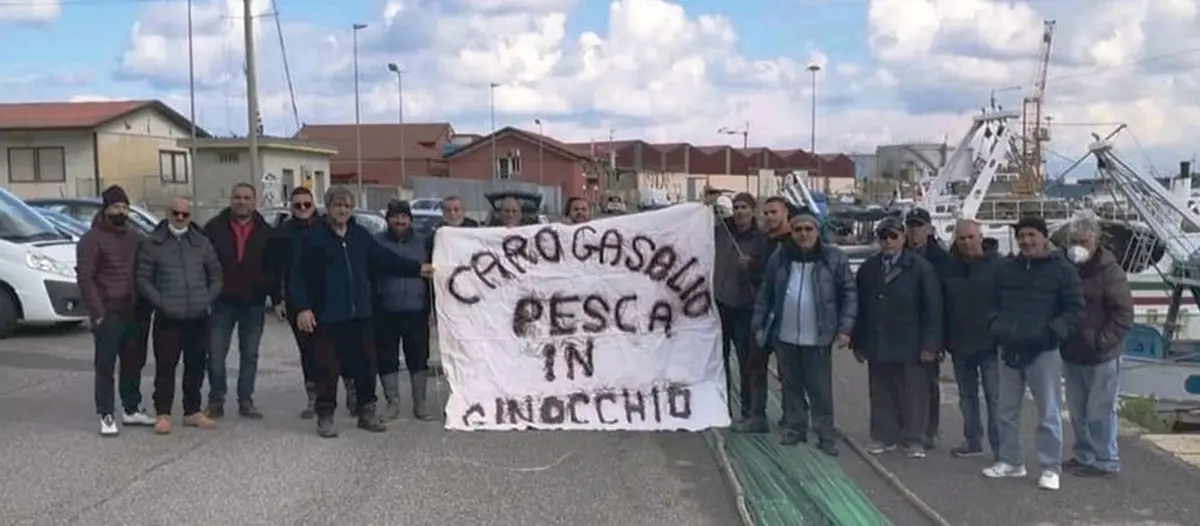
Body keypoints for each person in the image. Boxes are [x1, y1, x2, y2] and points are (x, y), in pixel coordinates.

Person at [290, 186, 434, 438]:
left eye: (347, 205)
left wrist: (416, 269)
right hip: (327, 316)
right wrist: (303, 308)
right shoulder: (313, 236)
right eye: (338, 205)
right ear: (328, 207)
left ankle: (366, 412)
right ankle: (325, 416)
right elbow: (297, 276)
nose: (343, 210)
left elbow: (385, 259)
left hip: (361, 314)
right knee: (327, 368)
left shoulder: (360, 235)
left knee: (365, 366)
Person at [984, 216, 1084, 491]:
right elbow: (993, 304)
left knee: (1048, 412)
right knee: (1006, 410)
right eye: (1022, 236)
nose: (1026, 241)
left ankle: (1050, 467)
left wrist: (1052, 332)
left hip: (1044, 350)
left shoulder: (1063, 270)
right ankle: (1011, 461)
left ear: (1044, 237)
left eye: (1031, 235)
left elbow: (1075, 309)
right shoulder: (1006, 270)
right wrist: (997, 327)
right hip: (1010, 347)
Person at [752, 208, 855, 455]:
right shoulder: (780, 257)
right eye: (798, 229)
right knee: (791, 385)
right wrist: (759, 324)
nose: (803, 234)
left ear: (817, 231)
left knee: (820, 387)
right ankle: (795, 427)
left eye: (808, 229)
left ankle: (825, 433)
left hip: (818, 335)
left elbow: (850, 294)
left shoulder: (834, 258)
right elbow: (766, 293)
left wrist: (845, 329)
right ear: (791, 232)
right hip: (786, 333)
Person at [851, 217, 943, 458]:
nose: (888, 241)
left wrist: (931, 344)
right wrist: (857, 341)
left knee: (914, 392)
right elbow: (859, 307)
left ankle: (915, 439)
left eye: (893, 236)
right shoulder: (868, 268)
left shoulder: (921, 268)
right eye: (884, 237)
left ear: (903, 238)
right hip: (878, 339)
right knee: (880, 390)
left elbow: (933, 309)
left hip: (911, 340)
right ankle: (883, 436)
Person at [135, 197, 223, 434]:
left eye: (185, 214)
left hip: (197, 315)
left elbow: (216, 276)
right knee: (166, 367)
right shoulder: (153, 243)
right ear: (168, 213)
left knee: (195, 365)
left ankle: (192, 411)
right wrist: (161, 302)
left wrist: (206, 299)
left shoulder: (201, 243)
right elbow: (143, 279)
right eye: (176, 213)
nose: (180, 218)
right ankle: (163, 413)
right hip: (167, 317)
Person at [77, 185, 155, 435]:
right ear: (106, 208)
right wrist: (97, 313)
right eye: (116, 207)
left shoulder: (134, 237)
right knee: (106, 366)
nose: (120, 211)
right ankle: (106, 414)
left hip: (133, 310)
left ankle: (131, 409)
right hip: (108, 312)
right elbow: (85, 278)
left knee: (133, 362)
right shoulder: (91, 240)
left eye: (124, 207)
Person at [1061, 216, 1132, 478]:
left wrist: (1101, 341)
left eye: (1083, 241)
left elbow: (1123, 314)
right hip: (1072, 352)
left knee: (1101, 410)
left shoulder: (1110, 272)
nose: (1077, 247)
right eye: (1074, 242)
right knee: (1077, 410)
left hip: (1102, 355)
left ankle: (1105, 459)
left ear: (1095, 241)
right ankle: (1084, 453)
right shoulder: (1067, 269)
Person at [203, 182, 279, 420]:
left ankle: (245, 400)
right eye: (237, 197)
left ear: (254, 202)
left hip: (253, 303)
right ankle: (216, 401)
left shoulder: (265, 230)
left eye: (247, 197)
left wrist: (276, 299)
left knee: (250, 355)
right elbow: (203, 263)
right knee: (215, 354)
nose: (242, 202)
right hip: (221, 302)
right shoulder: (214, 228)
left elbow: (273, 269)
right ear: (231, 200)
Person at [943, 219, 1003, 458]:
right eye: (961, 239)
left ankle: (1001, 447)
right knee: (966, 397)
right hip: (960, 342)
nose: (967, 242)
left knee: (995, 398)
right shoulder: (950, 267)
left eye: (970, 237)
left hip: (991, 343)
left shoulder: (999, 266)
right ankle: (972, 440)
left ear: (980, 236)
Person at [373, 200, 435, 422]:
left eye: (404, 217)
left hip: (417, 311)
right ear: (388, 220)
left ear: (410, 219)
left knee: (418, 359)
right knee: (387, 359)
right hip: (385, 311)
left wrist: (432, 309)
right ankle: (393, 403)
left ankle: (420, 404)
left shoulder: (424, 243)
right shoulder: (376, 242)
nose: (400, 221)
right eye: (395, 217)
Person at [274, 187, 330, 419]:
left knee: (333, 349)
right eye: (298, 205)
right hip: (296, 301)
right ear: (291, 207)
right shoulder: (283, 233)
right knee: (307, 350)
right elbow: (276, 270)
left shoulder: (326, 229)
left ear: (314, 205)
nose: (303, 209)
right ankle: (313, 398)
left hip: (327, 299)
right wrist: (277, 299)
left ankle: (347, 392)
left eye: (307, 204)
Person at [714, 193, 768, 428]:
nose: (739, 211)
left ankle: (749, 410)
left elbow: (767, 274)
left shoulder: (762, 239)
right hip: (721, 304)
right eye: (736, 207)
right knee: (718, 359)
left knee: (747, 363)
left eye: (744, 207)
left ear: (753, 210)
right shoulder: (721, 232)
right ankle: (720, 405)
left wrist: (753, 266)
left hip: (746, 307)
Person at [905, 207, 952, 450]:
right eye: (911, 225)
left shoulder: (941, 260)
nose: (914, 231)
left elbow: (946, 301)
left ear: (929, 229)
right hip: (904, 327)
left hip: (929, 328)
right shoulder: (900, 254)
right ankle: (908, 427)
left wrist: (938, 340)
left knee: (928, 382)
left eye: (919, 225)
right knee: (905, 382)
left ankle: (929, 430)